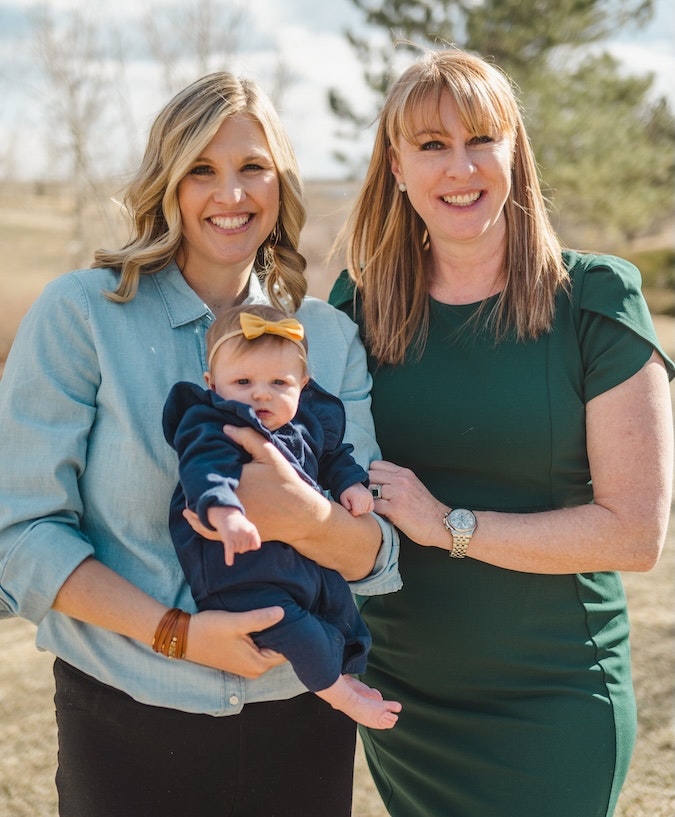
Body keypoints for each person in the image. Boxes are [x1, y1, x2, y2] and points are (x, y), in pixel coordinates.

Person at [0, 72, 400, 817]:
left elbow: (374, 554)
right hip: (124, 716)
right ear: (166, 182)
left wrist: (308, 518)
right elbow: (21, 533)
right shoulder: (82, 314)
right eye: (201, 170)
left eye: (252, 167)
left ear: (280, 182)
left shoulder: (331, 337)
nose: (231, 193)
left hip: (300, 719)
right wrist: (177, 633)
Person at [329, 47, 674, 817]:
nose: (460, 167)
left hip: (553, 694)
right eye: (430, 145)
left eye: (480, 138)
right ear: (395, 165)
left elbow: (635, 534)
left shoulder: (594, 299)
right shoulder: (356, 304)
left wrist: (444, 524)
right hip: (405, 697)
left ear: (514, 148)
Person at [162, 302, 400, 729]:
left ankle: (344, 671)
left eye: (278, 382)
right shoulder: (214, 424)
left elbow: (334, 456)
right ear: (211, 384)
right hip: (237, 572)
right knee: (294, 628)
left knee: (342, 612)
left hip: (299, 562)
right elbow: (204, 469)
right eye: (243, 381)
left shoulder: (305, 425)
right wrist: (227, 512)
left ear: (303, 385)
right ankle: (339, 695)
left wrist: (349, 484)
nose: (260, 393)